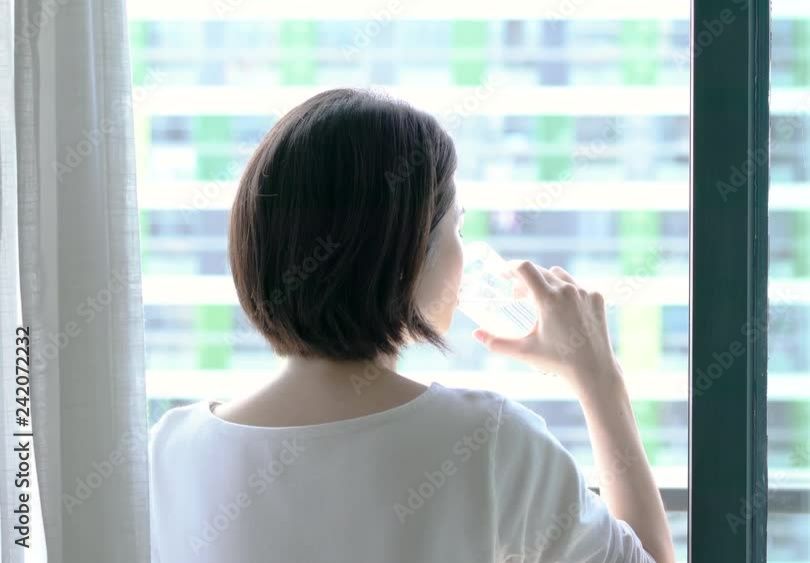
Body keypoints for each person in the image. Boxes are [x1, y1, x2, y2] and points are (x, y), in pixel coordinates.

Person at [148, 88, 676, 563]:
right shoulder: (489, 442)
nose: (466, 255)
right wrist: (597, 376)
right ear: (405, 254)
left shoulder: (165, 452)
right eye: (458, 228)